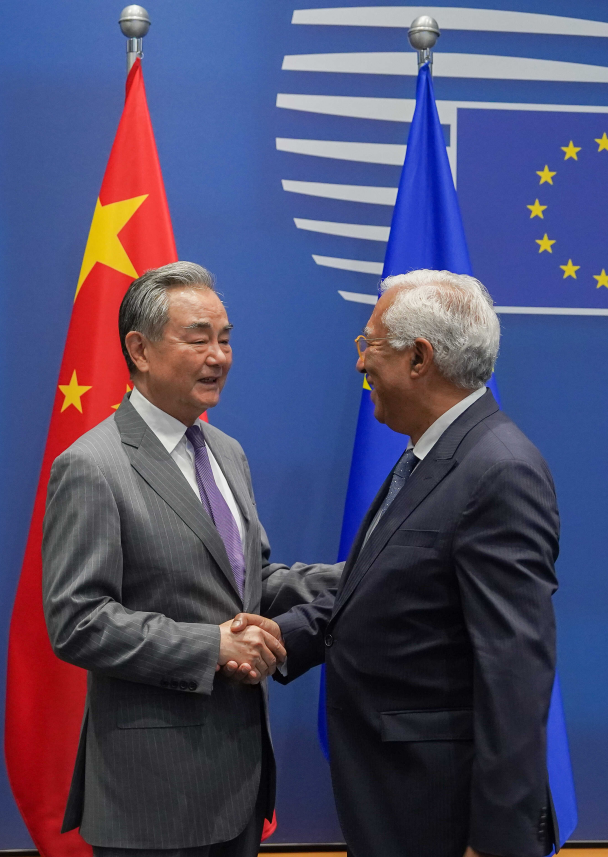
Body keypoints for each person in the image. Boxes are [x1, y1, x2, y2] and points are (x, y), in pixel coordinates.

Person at [238, 269, 560, 857]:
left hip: (446, 814)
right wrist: (283, 637)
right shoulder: (431, 455)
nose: (361, 364)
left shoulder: (498, 471)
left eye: (371, 346)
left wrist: (498, 841)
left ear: (419, 358)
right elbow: (383, 589)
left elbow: (514, 670)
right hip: (399, 798)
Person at [42, 261, 338, 857]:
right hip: (151, 797)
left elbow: (249, 584)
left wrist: (362, 574)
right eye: (199, 338)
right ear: (140, 349)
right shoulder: (93, 466)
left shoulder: (227, 452)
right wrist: (212, 646)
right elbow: (78, 621)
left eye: (226, 339)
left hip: (239, 788)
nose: (220, 356)